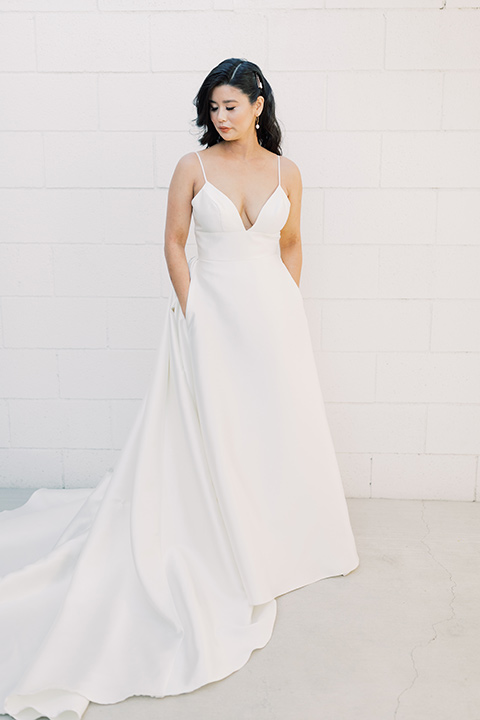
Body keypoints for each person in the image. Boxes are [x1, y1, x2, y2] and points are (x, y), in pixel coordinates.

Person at [0, 58, 359, 720]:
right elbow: (171, 244)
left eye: (231, 106)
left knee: (276, 430)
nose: (220, 118)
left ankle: (287, 539)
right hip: (211, 318)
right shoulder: (192, 169)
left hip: (273, 325)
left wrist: (288, 308)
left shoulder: (288, 171)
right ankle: (226, 542)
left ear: (258, 105)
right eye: (213, 108)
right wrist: (193, 313)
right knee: (216, 430)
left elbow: (293, 243)